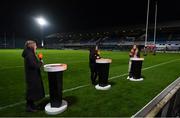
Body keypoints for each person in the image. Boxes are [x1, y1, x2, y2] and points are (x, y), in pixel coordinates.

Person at [22, 40, 45, 112]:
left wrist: (39, 60)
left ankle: (31, 105)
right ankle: (29, 107)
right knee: (31, 91)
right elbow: (34, 65)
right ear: (31, 46)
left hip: (32, 75)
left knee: (32, 90)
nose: (36, 47)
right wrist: (41, 63)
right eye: (35, 46)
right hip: (32, 76)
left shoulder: (30, 53)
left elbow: (33, 63)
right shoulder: (29, 54)